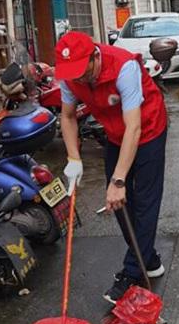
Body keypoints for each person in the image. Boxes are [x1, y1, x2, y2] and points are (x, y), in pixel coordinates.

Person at [55, 31, 168, 303]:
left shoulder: (124, 67)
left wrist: (118, 181)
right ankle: (147, 258)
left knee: (143, 202)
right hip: (115, 134)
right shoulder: (70, 76)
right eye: (73, 74)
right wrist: (73, 159)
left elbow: (134, 127)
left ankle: (132, 273)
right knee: (119, 205)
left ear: (95, 56)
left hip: (148, 129)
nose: (79, 79)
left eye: (83, 71)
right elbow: (68, 117)